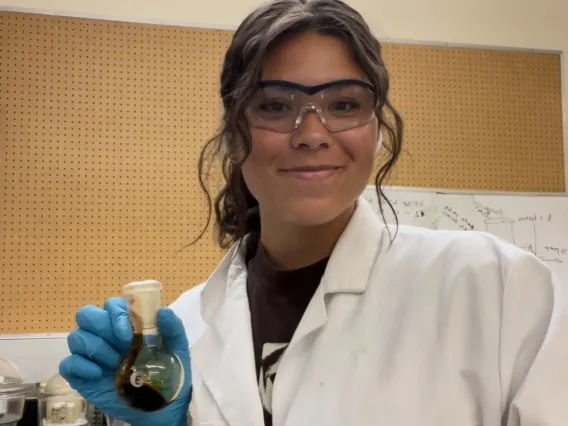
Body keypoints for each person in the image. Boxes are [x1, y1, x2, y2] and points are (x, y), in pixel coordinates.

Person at [59, 0, 568, 425]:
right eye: (276, 106)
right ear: (235, 134)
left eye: (344, 104)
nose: (313, 133)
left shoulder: (497, 288)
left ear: (377, 127)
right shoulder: (190, 327)